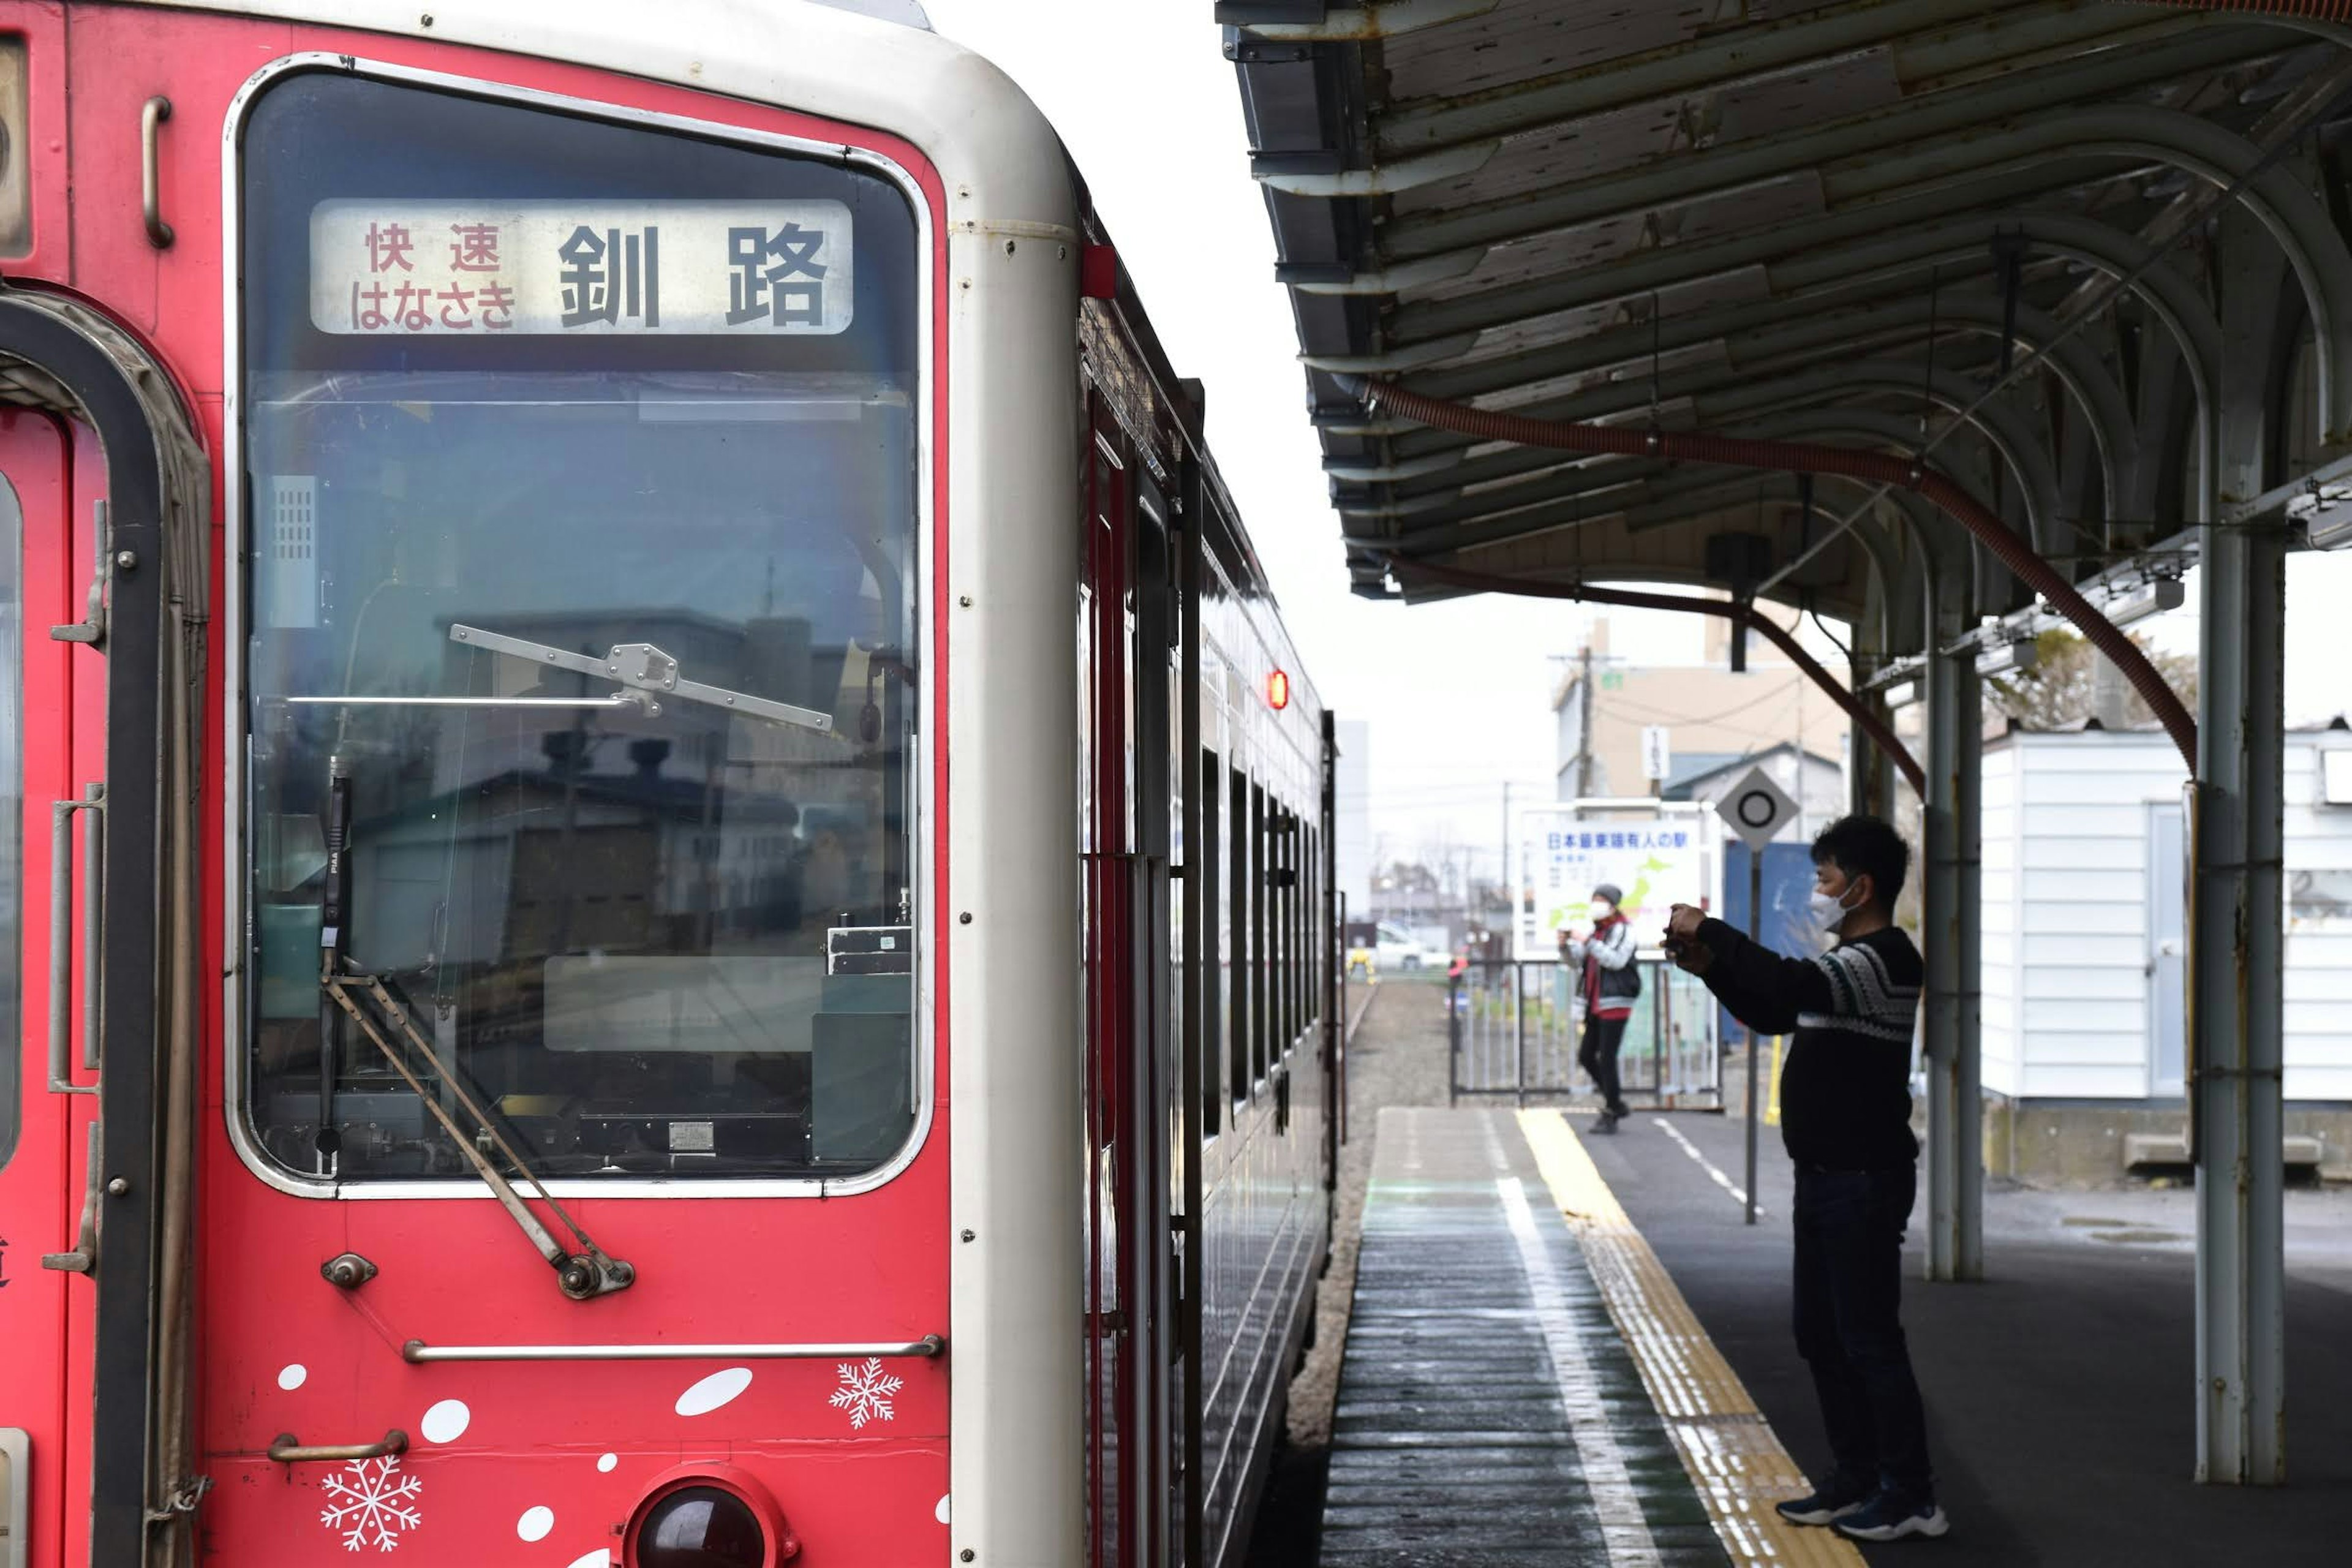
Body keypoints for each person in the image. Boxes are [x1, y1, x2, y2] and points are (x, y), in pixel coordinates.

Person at [1664, 815, 1947, 1544]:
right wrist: (1711, 968)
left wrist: (1715, 931)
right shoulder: (1846, 968)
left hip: (1863, 1181)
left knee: (1869, 1339)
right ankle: (1856, 1477)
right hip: (1824, 1179)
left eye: (1824, 879)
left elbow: (1791, 981)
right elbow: (1775, 1007)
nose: (1817, 891)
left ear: (1862, 886)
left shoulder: (1882, 959)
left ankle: (1912, 1493)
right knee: (1821, 1337)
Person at [1560, 882, 1637, 1132]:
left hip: (1615, 1003)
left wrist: (1588, 942)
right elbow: (1576, 962)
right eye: (1594, 900)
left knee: (1606, 1058)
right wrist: (1564, 946)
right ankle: (1615, 1103)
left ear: (1613, 905)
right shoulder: (1597, 933)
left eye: (1601, 900)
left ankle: (1612, 1112)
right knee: (1587, 1056)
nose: (1596, 906)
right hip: (1594, 1004)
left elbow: (1615, 960)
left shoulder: (1624, 930)